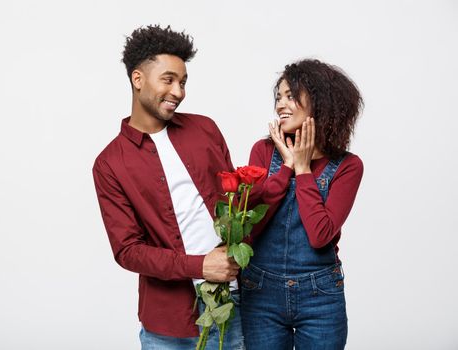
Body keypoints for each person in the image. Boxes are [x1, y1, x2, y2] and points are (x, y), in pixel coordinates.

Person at [92, 25, 244, 349]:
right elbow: (128, 250)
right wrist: (200, 265)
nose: (179, 91)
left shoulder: (205, 129)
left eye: (183, 81)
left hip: (232, 309)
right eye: (169, 80)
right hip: (167, 325)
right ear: (138, 79)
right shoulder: (110, 164)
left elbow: (237, 204)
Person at [241, 59, 364, 349]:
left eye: (291, 96)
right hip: (260, 291)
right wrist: (285, 168)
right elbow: (251, 227)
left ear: (322, 102)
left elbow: (320, 235)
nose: (281, 105)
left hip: (320, 296)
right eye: (279, 97)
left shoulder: (348, 167)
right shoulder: (263, 152)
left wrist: (303, 169)